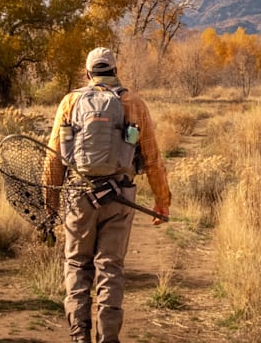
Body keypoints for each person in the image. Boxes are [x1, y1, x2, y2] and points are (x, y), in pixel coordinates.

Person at [43, 46, 171, 343]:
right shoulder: (134, 102)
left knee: (77, 265)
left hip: (78, 195)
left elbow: (53, 160)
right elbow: (152, 157)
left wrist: (50, 207)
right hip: (119, 197)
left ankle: (79, 336)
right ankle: (108, 338)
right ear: (115, 70)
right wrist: (162, 202)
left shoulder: (70, 102)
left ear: (88, 73)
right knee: (110, 267)